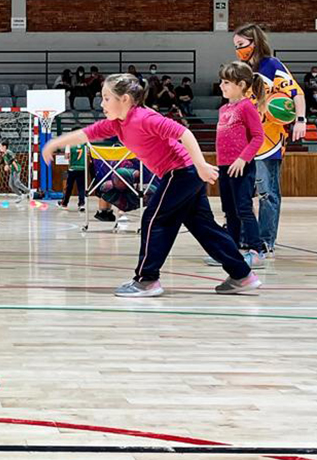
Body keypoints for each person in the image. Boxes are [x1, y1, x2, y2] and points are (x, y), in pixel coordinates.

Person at [43, 73, 256, 297]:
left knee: (154, 219)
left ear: (124, 99)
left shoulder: (144, 118)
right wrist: (54, 144)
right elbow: (86, 134)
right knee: (204, 227)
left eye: (106, 98)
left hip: (182, 172)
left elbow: (184, 132)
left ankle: (147, 280)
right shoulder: (117, 125)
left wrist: (201, 164)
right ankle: (242, 275)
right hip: (183, 174)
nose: (102, 103)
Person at [233, 23, 307, 257]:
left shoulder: (272, 65)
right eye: (235, 46)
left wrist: (301, 120)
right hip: (246, 142)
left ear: (254, 42)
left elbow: (297, 93)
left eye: (241, 45)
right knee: (244, 195)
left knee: (267, 194)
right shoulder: (242, 69)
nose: (238, 50)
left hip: (270, 141)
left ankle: (265, 243)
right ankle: (246, 240)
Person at [208, 61, 266, 270]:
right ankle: (231, 251)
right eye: (221, 81)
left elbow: (258, 137)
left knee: (244, 209)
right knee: (229, 211)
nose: (221, 86)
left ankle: (256, 250)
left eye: (226, 82)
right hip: (225, 167)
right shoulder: (224, 108)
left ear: (241, 84)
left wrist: (243, 158)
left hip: (241, 167)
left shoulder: (246, 107)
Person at [60, 143, 86, 211]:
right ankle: (81, 204)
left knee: (69, 187)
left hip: (72, 168)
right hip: (82, 168)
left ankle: (64, 203)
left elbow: (67, 156)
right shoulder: (84, 145)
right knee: (81, 188)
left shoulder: (69, 145)